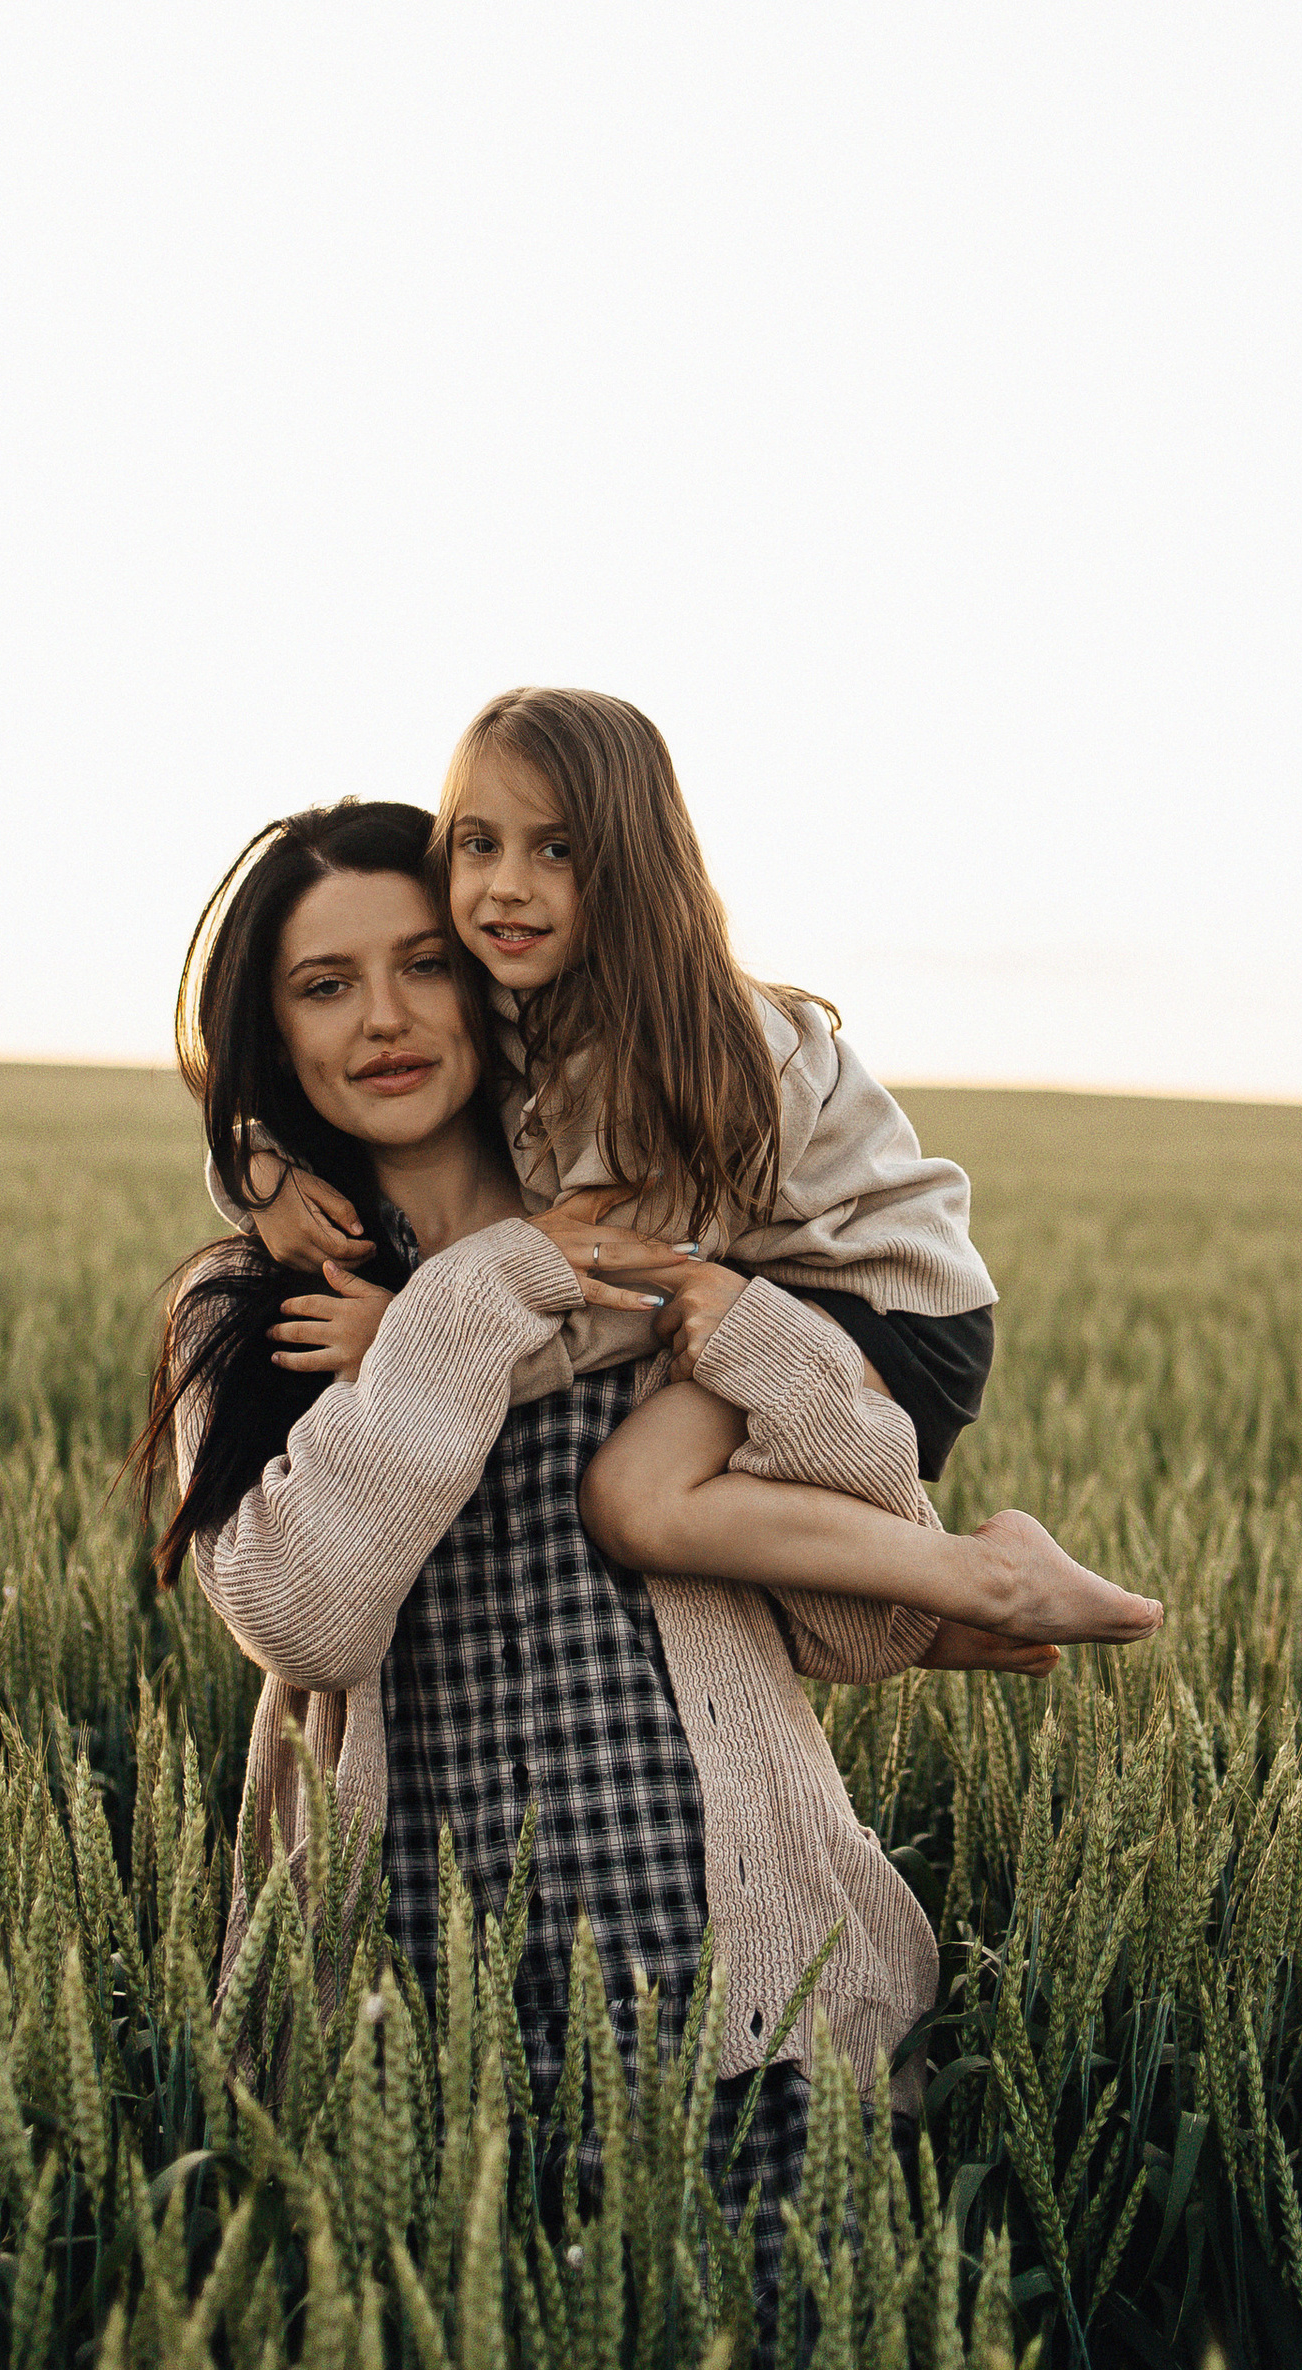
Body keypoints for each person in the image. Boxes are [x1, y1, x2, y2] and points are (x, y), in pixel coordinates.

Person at [133, 799, 1056, 2296]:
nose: (384, 1018)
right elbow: (305, 1615)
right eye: (323, 985)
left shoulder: (672, 1252)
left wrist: (740, 1321)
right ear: (271, 1037)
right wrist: (490, 1285)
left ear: (499, 984)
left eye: (426, 964)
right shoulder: (247, 1313)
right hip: (410, 2043)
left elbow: (857, 1621)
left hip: (755, 2016)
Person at [236, 686, 1164, 1653]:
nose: (507, 884)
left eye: (557, 849)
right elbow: (314, 1092)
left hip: (881, 1301)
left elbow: (620, 1283)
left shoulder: (680, 1052)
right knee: (660, 1494)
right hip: (772, 1285)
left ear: (632, 867)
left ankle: (976, 1583)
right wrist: (255, 1168)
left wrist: (417, 1342)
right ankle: (927, 1614)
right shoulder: (535, 995)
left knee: (637, 1499)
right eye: (478, 845)